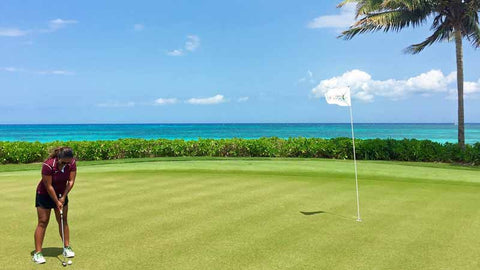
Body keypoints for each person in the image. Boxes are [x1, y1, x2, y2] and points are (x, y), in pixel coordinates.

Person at [32, 147, 77, 264]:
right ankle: (37, 253)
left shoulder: (71, 163)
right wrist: (57, 201)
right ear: (59, 158)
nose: (66, 164)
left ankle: (66, 247)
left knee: (63, 221)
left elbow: (71, 181)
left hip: (62, 194)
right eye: (64, 162)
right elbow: (48, 186)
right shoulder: (48, 165)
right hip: (44, 195)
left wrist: (62, 198)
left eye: (68, 162)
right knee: (43, 222)